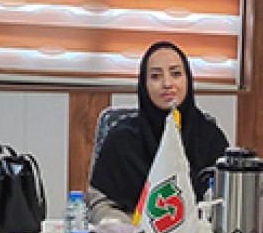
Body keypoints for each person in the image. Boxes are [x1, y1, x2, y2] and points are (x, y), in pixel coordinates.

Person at [88, 41, 229, 223]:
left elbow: (223, 203)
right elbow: (100, 204)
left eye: (176, 74)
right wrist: (128, 230)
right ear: (144, 84)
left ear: (188, 79)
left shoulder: (209, 136)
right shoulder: (121, 138)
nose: (167, 83)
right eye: (155, 76)